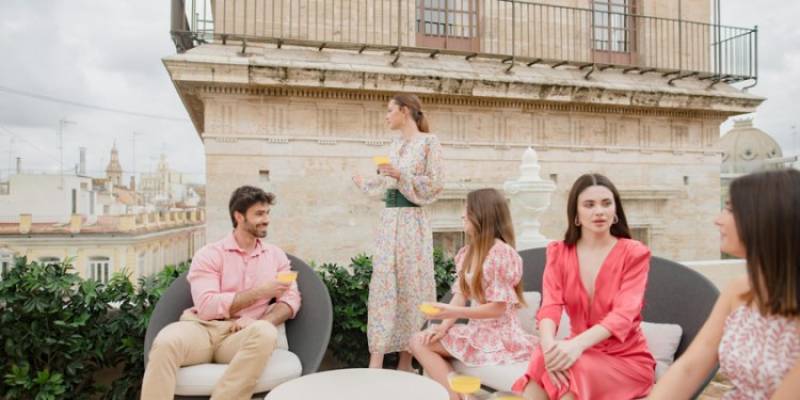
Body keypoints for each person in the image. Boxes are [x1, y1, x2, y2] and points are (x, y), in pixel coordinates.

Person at [649, 169, 800, 400]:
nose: (717, 219)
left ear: (765, 217)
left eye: (730, 209)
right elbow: (689, 368)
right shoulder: (739, 290)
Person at [141, 186, 301, 400]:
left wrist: (260, 321)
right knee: (167, 340)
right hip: (202, 329)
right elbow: (207, 306)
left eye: (267, 213)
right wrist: (261, 291)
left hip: (240, 337)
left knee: (265, 332)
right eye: (259, 214)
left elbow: (291, 299)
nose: (266, 219)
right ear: (239, 216)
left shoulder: (275, 256)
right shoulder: (210, 254)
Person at [513, 173, 655, 400]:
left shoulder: (634, 253)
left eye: (606, 204)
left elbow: (623, 314)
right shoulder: (559, 253)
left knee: (574, 370)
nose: (599, 211)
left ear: (615, 211)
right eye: (589, 205)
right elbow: (551, 306)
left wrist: (576, 346)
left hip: (626, 360)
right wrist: (549, 345)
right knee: (541, 357)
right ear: (576, 213)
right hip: (580, 350)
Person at [409, 188, 536, 400]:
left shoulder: (502, 253)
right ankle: (457, 395)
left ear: (481, 214)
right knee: (419, 340)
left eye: (467, 210)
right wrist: (443, 327)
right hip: (477, 332)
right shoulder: (467, 253)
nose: (462, 215)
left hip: (499, 336)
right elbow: (461, 294)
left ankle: (454, 396)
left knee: (419, 342)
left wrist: (453, 311)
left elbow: (499, 308)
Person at [352, 93, 445, 370]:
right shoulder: (394, 146)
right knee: (383, 287)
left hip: (412, 223)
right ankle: (376, 360)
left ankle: (406, 359)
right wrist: (365, 182)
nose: (386, 115)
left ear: (404, 111)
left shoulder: (429, 143)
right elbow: (385, 187)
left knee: (412, 286)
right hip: (389, 222)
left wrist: (400, 175)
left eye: (389, 110)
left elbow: (436, 185)